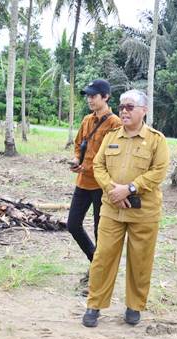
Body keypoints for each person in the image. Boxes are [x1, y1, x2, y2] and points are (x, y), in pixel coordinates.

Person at [81, 90, 169, 328]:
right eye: (121, 107)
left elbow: (159, 171)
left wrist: (130, 189)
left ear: (144, 111)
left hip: (144, 211)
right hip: (112, 208)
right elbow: (98, 165)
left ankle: (134, 306)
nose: (124, 111)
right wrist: (113, 190)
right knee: (103, 257)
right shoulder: (111, 136)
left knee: (140, 260)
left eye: (130, 107)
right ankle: (94, 305)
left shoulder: (156, 140)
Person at [68, 79, 122, 294]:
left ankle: (98, 277)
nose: (89, 99)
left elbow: (114, 156)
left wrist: (88, 167)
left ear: (106, 97)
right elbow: (78, 144)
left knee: (101, 232)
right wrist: (76, 159)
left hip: (102, 186)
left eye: (94, 96)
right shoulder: (87, 120)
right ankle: (95, 262)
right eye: (88, 96)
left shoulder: (115, 124)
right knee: (73, 225)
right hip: (83, 183)